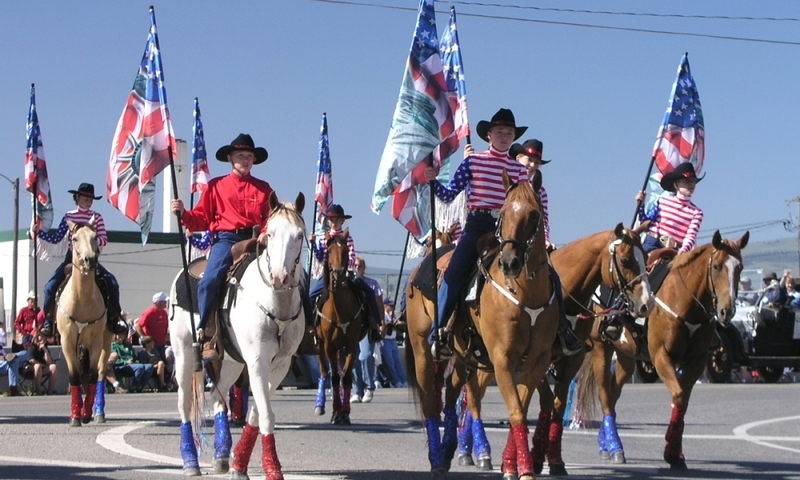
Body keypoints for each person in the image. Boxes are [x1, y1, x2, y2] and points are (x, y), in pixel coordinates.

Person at [423, 108, 583, 358]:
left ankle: (563, 330)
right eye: (500, 132)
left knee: (551, 275)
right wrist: (433, 182)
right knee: (453, 274)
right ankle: (439, 332)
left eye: (509, 133)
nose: (505, 136)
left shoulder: (518, 169)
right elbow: (449, 194)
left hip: (508, 230)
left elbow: (525, 204)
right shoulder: (473, 161)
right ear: (489, 135)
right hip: (477, 226)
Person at [171, 133, 275, 361]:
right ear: (230, 157)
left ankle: (300, 333)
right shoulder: (215, 186)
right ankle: (208, 334)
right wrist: (184, 214)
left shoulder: (264, 189)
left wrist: (266, 233)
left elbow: (270, 217)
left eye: (249, 156)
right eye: (240, 155)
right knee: (209, 280)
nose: (246, 160)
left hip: (258, 239)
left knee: (290, 273)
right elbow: (200, 218)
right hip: (226, 240)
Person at [31, 183, 128, 338]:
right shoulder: (69, 216)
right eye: (85, 198)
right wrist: (38, 233)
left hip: (91, 257)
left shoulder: (97, 218)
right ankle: (48, 322)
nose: (88, 201)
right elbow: (57, 237)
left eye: (90, 199)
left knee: (113, 283)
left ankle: (114, 319)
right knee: (49, 287)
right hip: (72, 258)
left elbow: (103, 238)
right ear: (77, 198)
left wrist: (91, 243)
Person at [308, 205, 383, 343]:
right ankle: (310, 327)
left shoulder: (348, 238)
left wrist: (344, 267)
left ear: (342, 221)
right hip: (328, 275)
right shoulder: (324, 238)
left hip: (346, 273)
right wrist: (313, 244)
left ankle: (374, 327)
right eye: (331, 219)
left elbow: (352, 257)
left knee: (369, 293)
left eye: (337, 220)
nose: (334, 222)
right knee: (311, 296)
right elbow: (320, 257)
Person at [636, 162, 704, 254]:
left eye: (693, 181)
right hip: (652, 243)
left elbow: (691, 236)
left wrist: (684, 250)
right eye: (686, 181)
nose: (691, 184)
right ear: (676, 184)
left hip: (673, 250)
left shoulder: (696, 212)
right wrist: (641, 205)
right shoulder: (662, 201)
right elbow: (646, 222)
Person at [349, 257, 384, 403]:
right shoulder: (349, 284)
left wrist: (380, 321)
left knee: (366, 355)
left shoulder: (372, 284)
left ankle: (369, 387)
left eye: (360, 265)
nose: (357, 268)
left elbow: (379, 304)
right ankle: (357, 390)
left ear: (364, 268)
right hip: (351, 325)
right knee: (353, 358)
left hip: (367, 324)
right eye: (355, 265)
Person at [511, 139, 554, 251]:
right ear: (518, 158)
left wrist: (545, 239)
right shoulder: (508, 182)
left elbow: (543, 219)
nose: (532, 165)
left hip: (528, 239)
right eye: (529, 160)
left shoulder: (540, 191)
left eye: (537, 163)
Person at [135, 292, 170, 363]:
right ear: (158, 302)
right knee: (157, 362)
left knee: (164, 361)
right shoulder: (149, 312)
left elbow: (166, 327)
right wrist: (144, 337)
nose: (166, 303)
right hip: (152, 345)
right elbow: (138, 325)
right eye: (164, 301)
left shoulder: (164, 313)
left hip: (161, 343)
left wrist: (165, 337)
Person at [379, 298, 407, 388]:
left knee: (397, 362)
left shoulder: (394, 315)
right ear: (385, 306)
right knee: (390, 364)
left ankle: (403, 380)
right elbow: (384, 329)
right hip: (386, 341)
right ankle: (396, 381)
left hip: (393, 340)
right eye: (391, 306)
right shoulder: (383, 316)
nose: (392, 308)